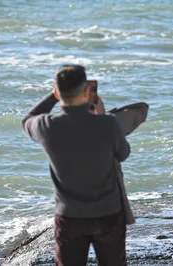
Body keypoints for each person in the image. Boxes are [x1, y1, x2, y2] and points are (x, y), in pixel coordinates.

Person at [21, 65, 130, 265]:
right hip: (108, 214)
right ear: (86, 91)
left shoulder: (47, 125)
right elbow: (123, 154)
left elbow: (27, 120)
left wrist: (54, 97)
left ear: (57, 91)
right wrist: (102, 115)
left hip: (69, 215)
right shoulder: (107, 123)